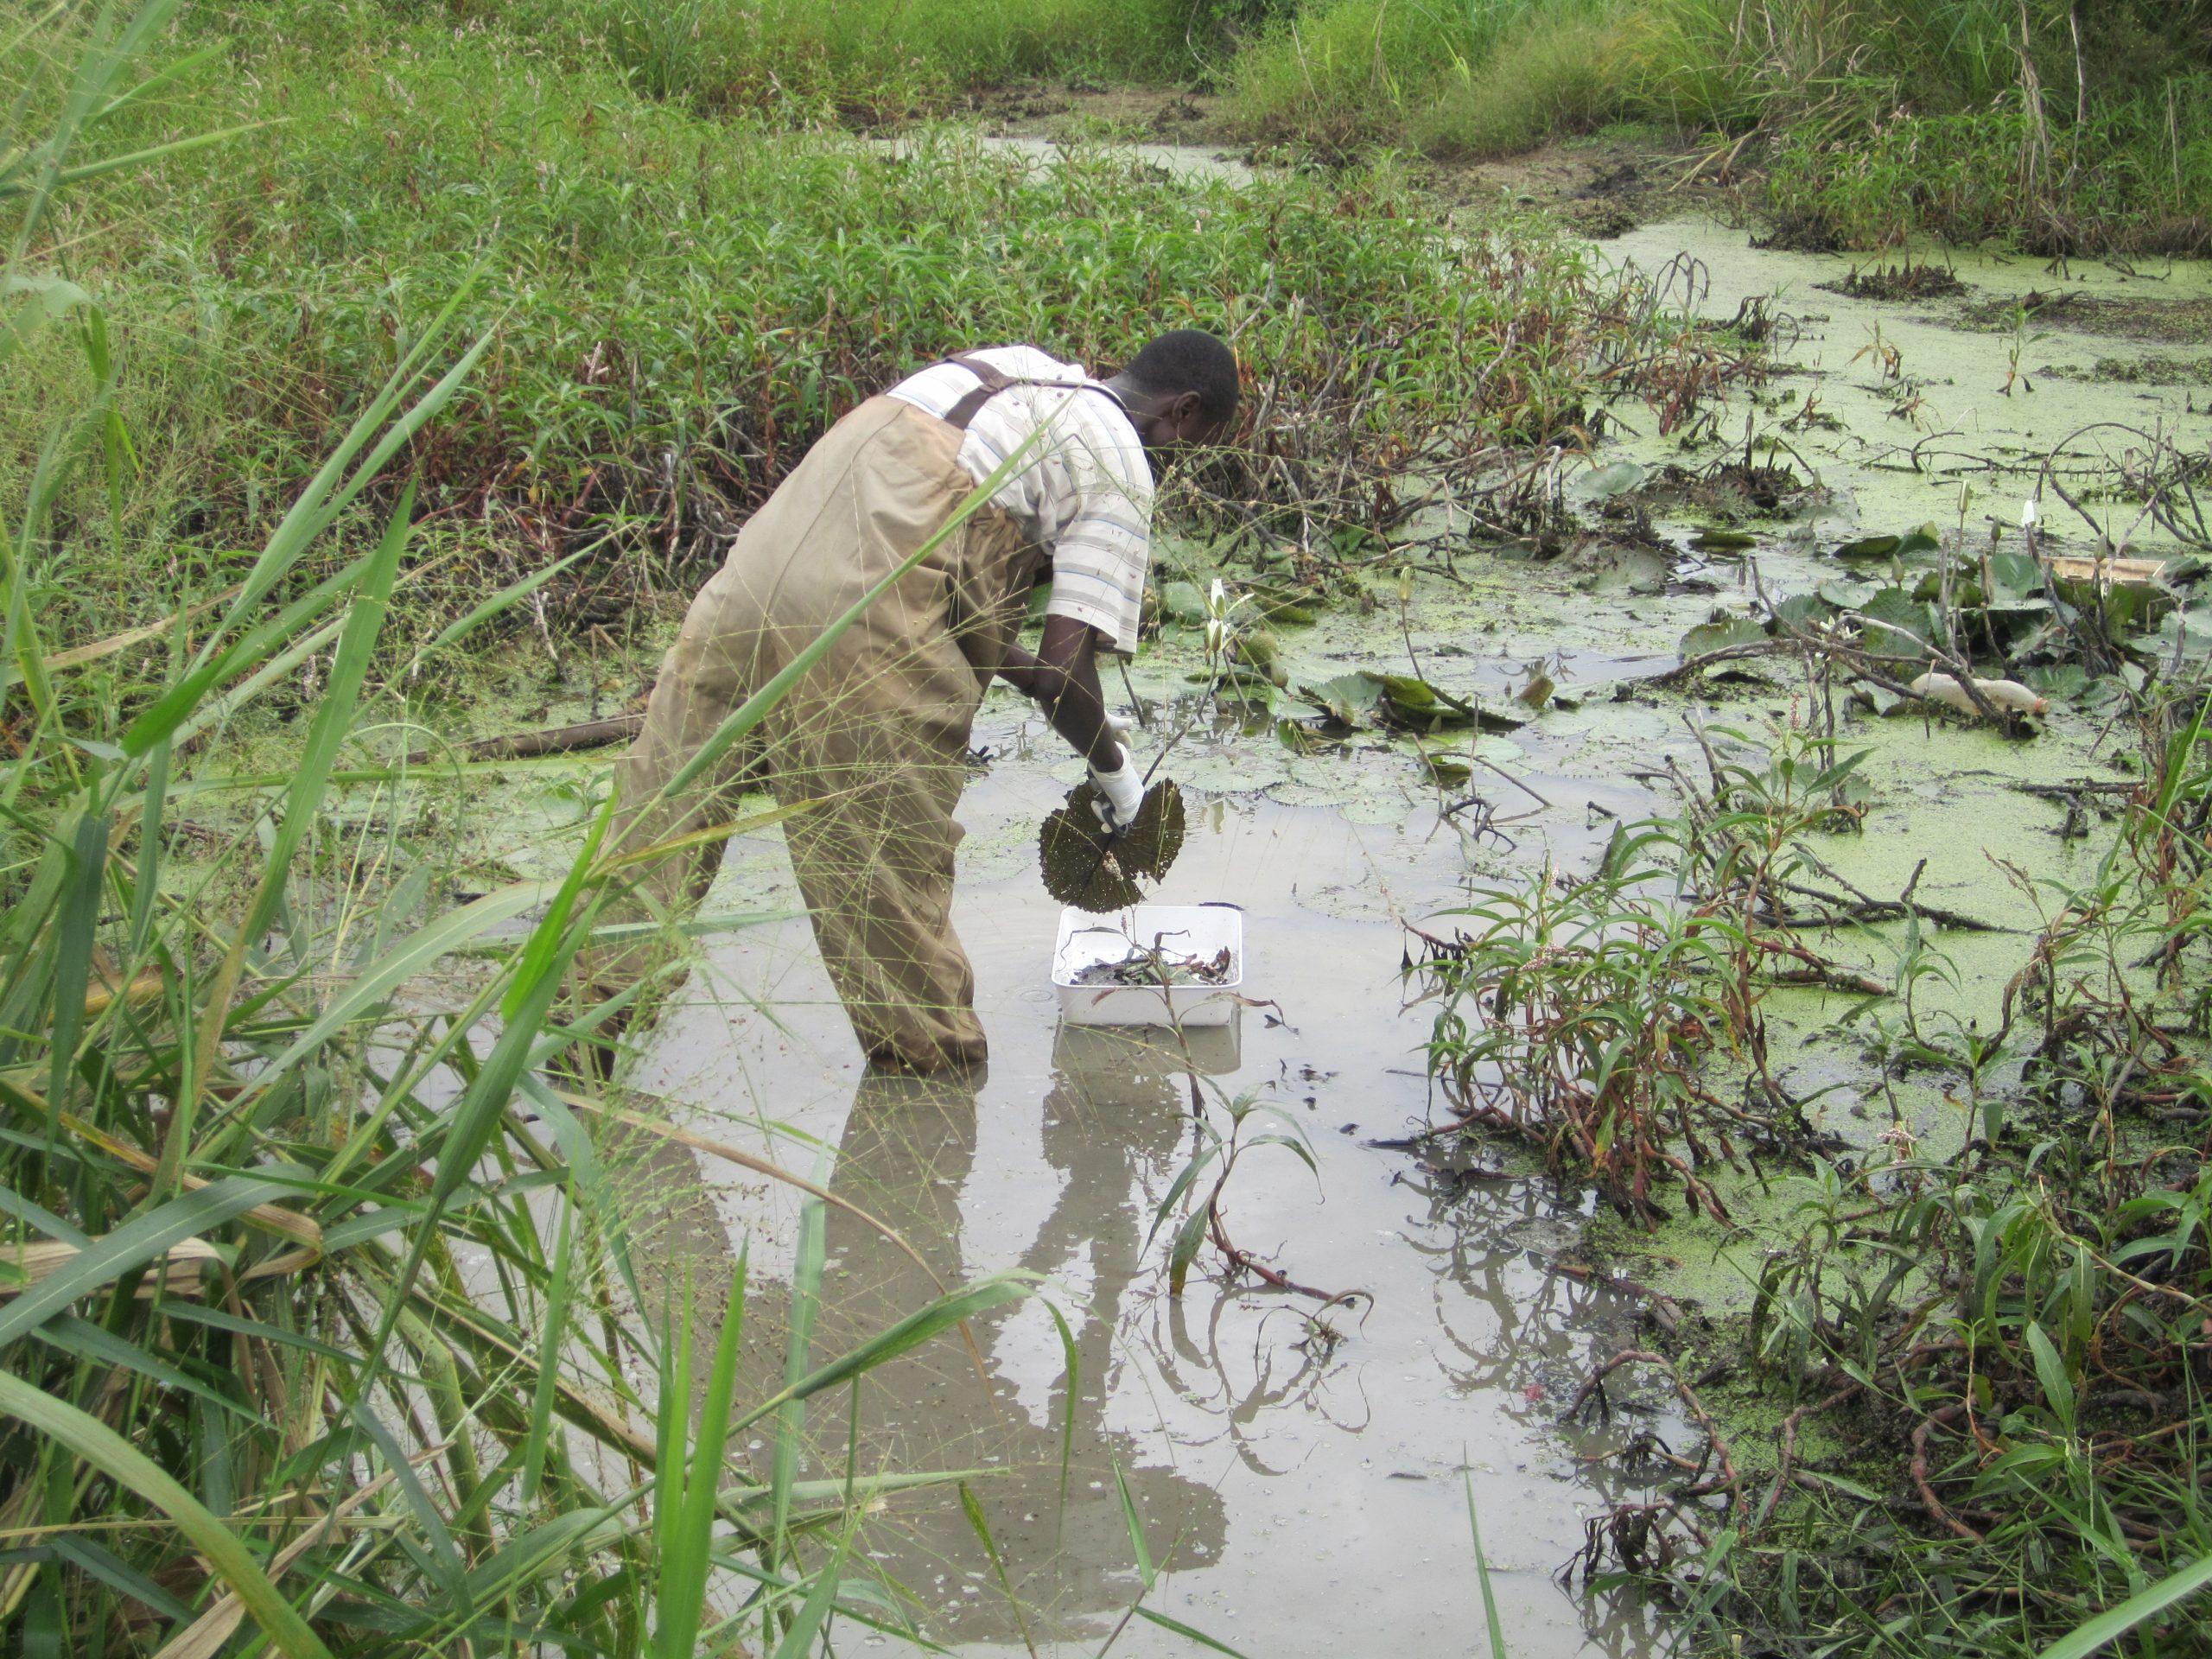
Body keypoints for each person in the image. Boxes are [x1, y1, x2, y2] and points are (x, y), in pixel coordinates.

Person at [592, 331, 1240, 1072]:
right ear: (1184, 413)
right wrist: (1116, 774)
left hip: (755, 574)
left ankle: (573, 1048)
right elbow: (1067, 670)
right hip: (862, 635)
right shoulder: (1120, 460)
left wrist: (1023, 672)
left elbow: (920, 560)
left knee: (657, 827)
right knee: (886, 893)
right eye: (1195, 441)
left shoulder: (1015, 370)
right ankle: (926, 1118)